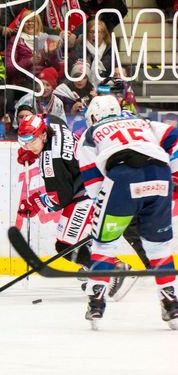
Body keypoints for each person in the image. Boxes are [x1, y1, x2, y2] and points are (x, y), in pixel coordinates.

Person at [15, 113, 147, 301]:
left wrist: (35, 202)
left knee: (64, 246)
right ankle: (94, 270)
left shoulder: (51, 162)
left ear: (44, 135)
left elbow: (60, 198)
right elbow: (49, 116)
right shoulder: (53, 123)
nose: (26, 145)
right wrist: (32, 149)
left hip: (88, 191)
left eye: (30, 141)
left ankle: (115, 269)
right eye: (22, 141)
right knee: (78, 239)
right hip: (95, 179)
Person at [75, 95, 178, 329]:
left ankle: (96, 302)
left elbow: (94, 186)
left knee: (104, 244)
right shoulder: (143, 122)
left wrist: (116, 208)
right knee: (159, 248)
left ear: (93, 116)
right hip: (161, 174)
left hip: (122, 175)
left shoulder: (89, 135)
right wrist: (175, 173)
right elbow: (175, 137)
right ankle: (171, 303)